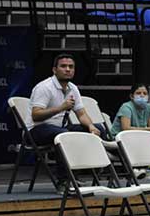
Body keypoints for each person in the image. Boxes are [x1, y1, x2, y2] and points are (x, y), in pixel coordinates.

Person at [27, 54, 105, 189]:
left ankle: (87, 172)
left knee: (99, 129)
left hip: (61, 129)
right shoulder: (44, 87)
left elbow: (81, 114)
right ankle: (63, 181)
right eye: (63, 66)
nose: (68, 69)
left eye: (71, 67)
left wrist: (91, 126)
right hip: (36, 130)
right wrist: (61, 108)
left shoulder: (73, 88)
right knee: (64, 135)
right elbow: (36, 115)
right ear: (54, 70)